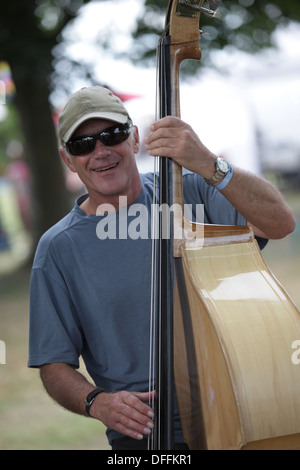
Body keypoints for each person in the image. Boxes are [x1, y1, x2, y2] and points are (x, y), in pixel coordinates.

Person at [28, 86, 296, 450]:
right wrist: (97, 402)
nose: (101, 151)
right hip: (147, 434)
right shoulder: (58, 249)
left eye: (113, 135)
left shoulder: (193, 194)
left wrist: (209, 163)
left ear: (135, 137)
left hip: (244, 405)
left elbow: (279, 223)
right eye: (83, 144)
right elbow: (53, 364)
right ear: (67, 158)